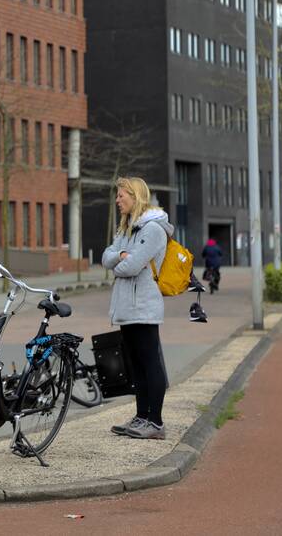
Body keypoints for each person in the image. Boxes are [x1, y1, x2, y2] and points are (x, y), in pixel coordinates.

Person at [102, 176, 174, 441]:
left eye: (122, 196)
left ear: (136, 196)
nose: (118, 200)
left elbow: (131, 267)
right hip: (126, 307)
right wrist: (120, 257)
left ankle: (155, 422)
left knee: (150, 363)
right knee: (135, 365)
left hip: (143, 306)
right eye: (117, 196)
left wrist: (120, 262)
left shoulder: (153, 230)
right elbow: (106, 256)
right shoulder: (125, 230)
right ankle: (141, 416)